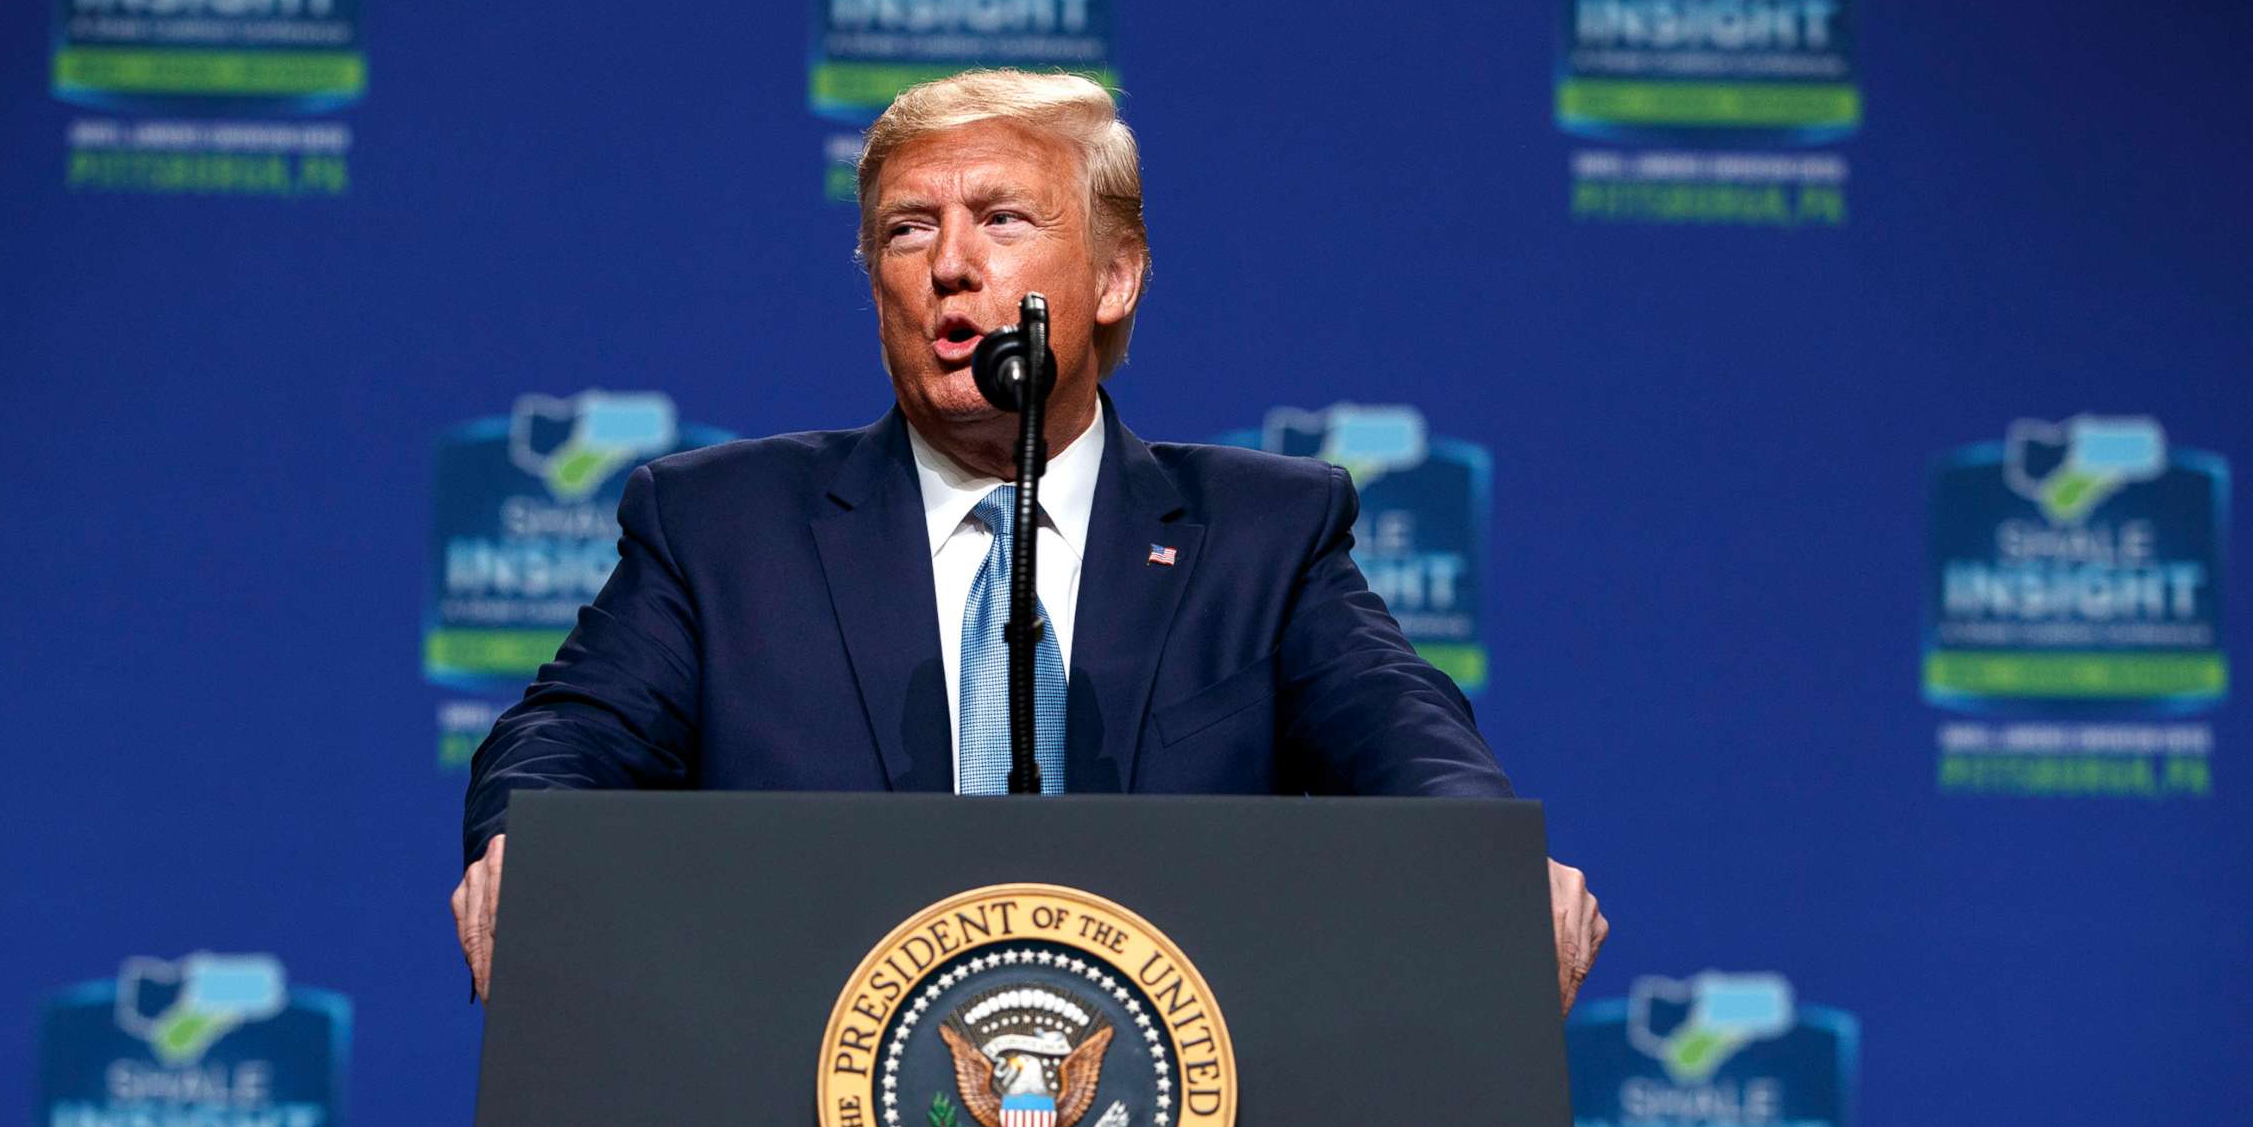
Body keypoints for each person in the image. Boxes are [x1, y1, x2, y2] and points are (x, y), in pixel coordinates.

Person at [453, 69, 1606, 1007]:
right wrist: (529, 855)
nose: (951, 265)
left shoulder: (1261, 540)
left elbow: (1410, 740)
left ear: (1115, 276)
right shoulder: (723, 531)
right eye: (909, 230)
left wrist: (1488, 871)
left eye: (1001, 220)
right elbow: (566, 737)